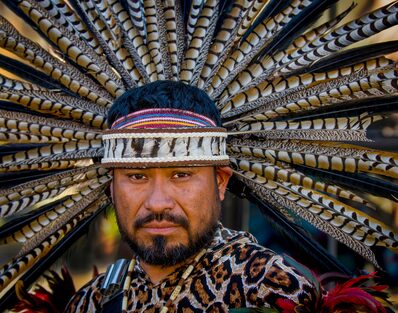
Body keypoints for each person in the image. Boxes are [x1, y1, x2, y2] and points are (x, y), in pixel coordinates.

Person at [64, 81, 314, 312]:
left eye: (181, 174)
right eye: (137, 177)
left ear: (220, 182)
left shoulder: (271, 290)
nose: (158, 203)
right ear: (112, 190)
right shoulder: (91, 301)